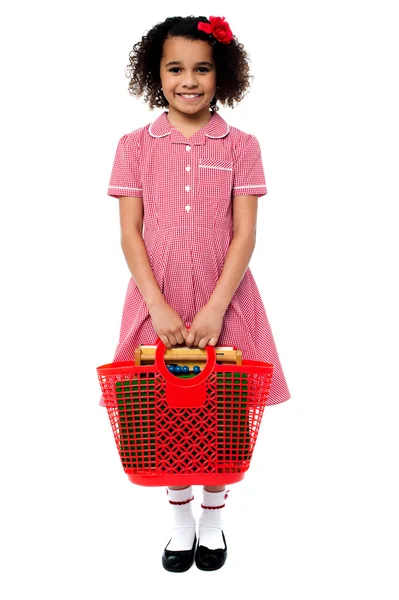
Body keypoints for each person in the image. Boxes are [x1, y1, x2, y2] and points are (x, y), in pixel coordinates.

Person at [99, 14, 291, 572]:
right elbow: (129, 233)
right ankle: (180, 521)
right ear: (154, 73)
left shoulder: (241, 144)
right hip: (155, 302)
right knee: (161, 412)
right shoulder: (134, 145)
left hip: (225, 300)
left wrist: (214, 307)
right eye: (176, 68)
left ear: (221, 74)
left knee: (224, 411)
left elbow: (245, 234)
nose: (189, 80)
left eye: (202, 68)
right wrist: (158, 305)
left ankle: (214, 516)